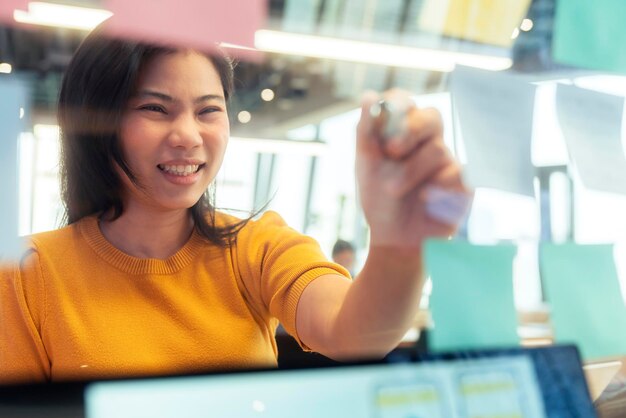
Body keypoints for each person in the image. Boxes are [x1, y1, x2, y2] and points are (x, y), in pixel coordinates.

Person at [0, 24, 467, 384]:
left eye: (208, 110)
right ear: (98, 125)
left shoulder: (256, 247)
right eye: (155, 109)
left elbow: (355, 334)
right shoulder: (26, 274)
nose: (188, 135)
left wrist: (400, 247)